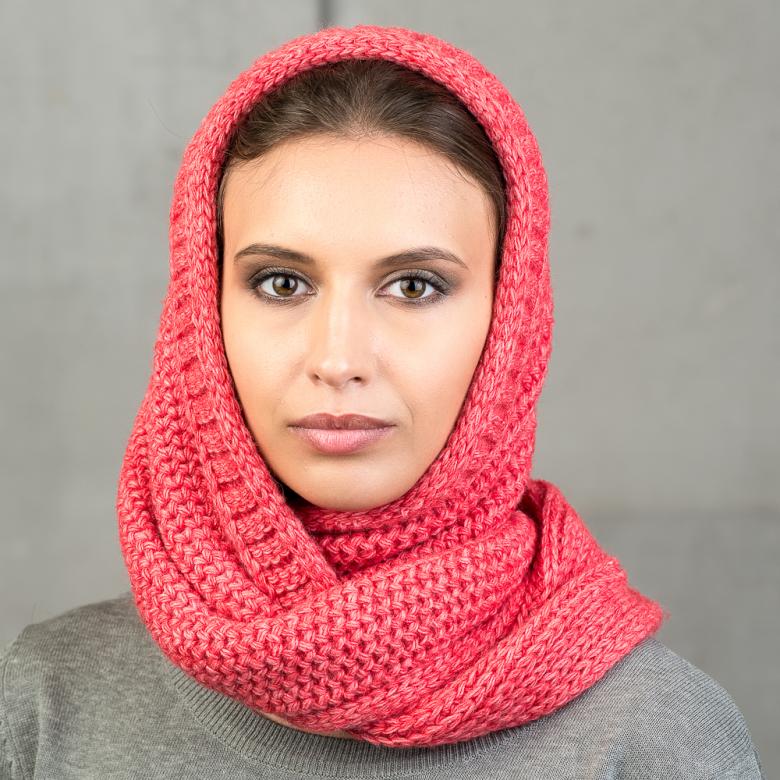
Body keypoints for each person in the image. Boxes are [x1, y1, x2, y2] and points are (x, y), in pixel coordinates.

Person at [0, 24, 766, 779]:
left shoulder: (652, 735)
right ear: (201, 313)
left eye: (414, 287)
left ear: (511, 321)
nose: (339, 360)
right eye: (281, 283)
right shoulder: (49, 700)